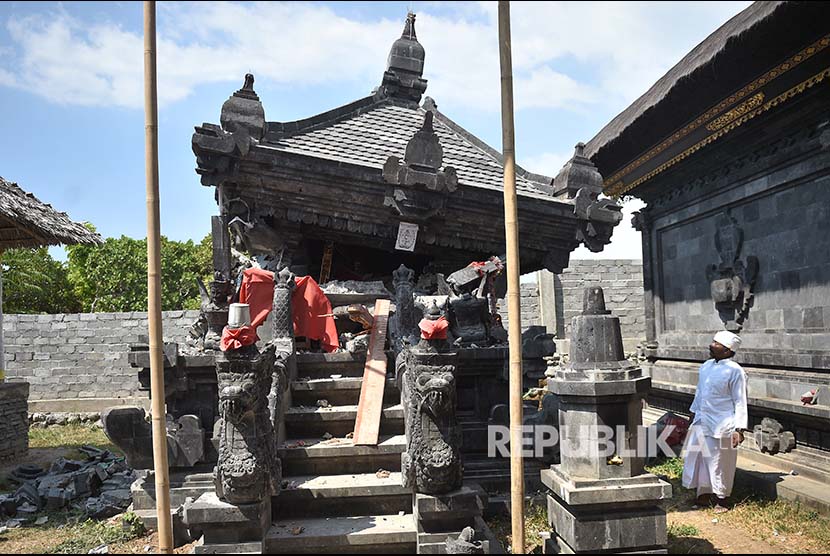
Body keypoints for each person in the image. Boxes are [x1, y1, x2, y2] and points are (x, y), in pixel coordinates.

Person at [681, 330, 748, 513]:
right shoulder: (706, 366)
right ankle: (703, 494)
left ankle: (722, 498)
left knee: (720, 460)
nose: (712, 345)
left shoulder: (735, 371)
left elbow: (740, 400)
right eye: (713, 342)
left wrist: (739, 429)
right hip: (702, 420)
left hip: (723, 422)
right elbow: (699, 393)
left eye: (716, 343)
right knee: (700, 458)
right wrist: (693, 413)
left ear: (727, 351)